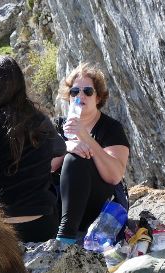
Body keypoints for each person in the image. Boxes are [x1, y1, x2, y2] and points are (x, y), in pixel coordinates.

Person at [0, 55, 66, 243]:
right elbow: (60, 148)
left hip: (2, 228)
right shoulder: (39, 119)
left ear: (1, 90)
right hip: (42, 225)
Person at [53, 63, 130, 244]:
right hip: (60, 203)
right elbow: (45, 166)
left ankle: (66, 237)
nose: (80, 96)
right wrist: (66, 147)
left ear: (98, 97)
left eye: (87, 91)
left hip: (98, 205)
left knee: (76, 158)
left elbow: (114, 176)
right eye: (74, 92)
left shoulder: (111, 128)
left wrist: (85, 138)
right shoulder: (58, 126)